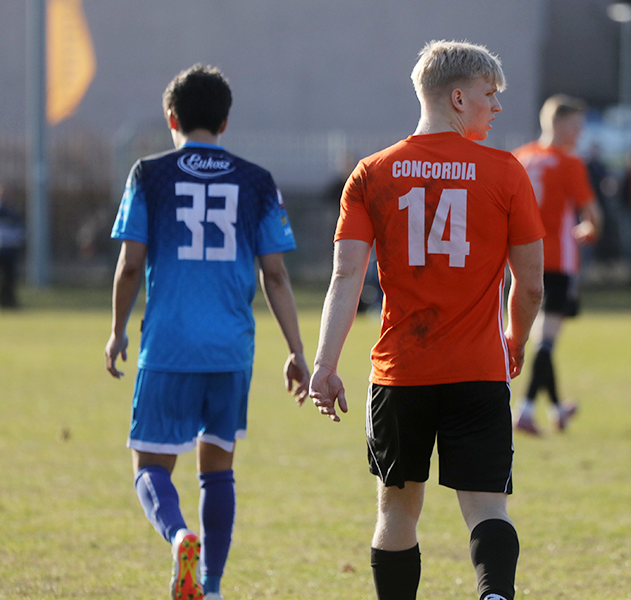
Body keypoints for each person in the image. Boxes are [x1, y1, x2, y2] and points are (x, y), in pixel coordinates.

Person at [309, 40, 546, 600]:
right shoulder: (506, 171)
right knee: (487, 504)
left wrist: (325, 363)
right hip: (478, 369)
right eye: (490, 96)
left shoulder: (371, 173)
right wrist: (514, 339)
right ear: (458, 98)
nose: (497, 107)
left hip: (401, 373)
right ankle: (494, 595)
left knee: (397, 509)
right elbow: (531, 285)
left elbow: (345, 279)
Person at [104, 64, 310, 600]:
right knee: (217, 469)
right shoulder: (257, 180)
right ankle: (213, 587)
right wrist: (297, 351)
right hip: (231, 349)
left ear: (172, 117)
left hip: (169, 344)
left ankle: (179, 538)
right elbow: (277, 275)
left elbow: (129, 267)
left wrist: (117, 331)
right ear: (225, 121)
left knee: (151, 465)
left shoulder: (148, 173)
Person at [510, 94, 602, 437]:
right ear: (559, 124)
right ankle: (526, 410)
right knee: (546, 341)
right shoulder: (568, 163)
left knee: (539, 339)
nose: (579, 132)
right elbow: (592, 216)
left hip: (521, 261)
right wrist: (589, 231)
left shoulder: (521, 157)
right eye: (576, 125)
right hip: (559, 261)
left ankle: (556, 407)